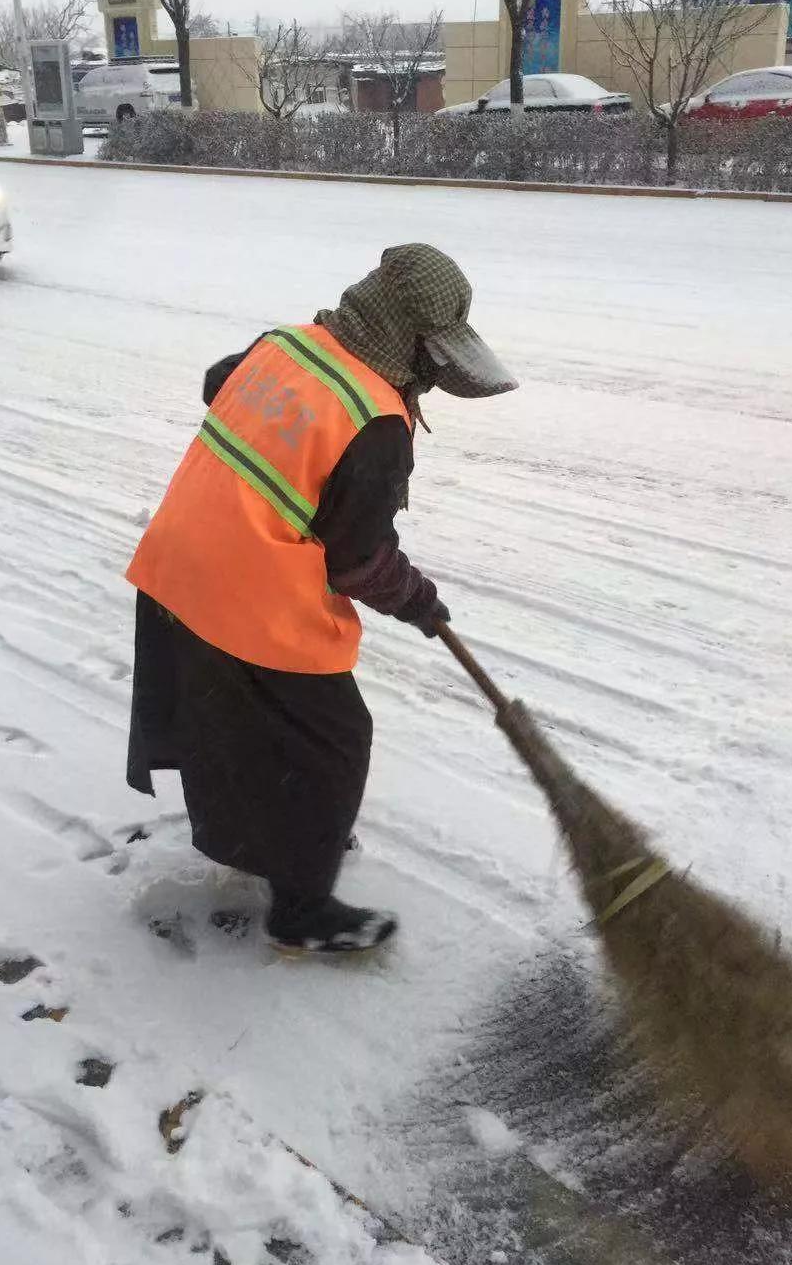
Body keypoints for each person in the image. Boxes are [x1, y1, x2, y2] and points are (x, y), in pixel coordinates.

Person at [125, 243, 517, 954]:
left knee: (238, 722)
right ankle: (300, 913)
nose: (434, 370)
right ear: (405, 335)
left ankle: (279, 838)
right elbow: (357, 560)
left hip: (177, 564)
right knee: (334, 741)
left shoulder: (293, 343)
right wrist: (419, 601)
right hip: (247, 593)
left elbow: (220, 381)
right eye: (432, 352)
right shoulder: (374, 423)